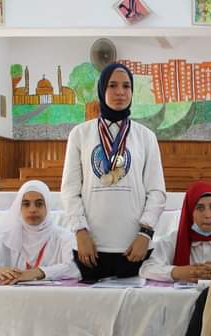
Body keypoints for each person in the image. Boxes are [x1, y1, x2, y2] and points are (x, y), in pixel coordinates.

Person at [61, 62, 166, 283]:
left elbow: (157, 192)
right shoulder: (80, 134)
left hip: (134, 247)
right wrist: (80, 232)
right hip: (90, 248)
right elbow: (70, 190)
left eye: (126, 86)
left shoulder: (146, 137)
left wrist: (145, 234)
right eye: (113, 85)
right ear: (102, 89)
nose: (120, 92)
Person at [0, 180, 78, 284]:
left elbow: (75, 267)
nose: (32, 209)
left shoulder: (64, 237)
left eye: (39, 204)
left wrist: (38, 273)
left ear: (47, 206)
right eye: (26, 204)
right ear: (19, 208)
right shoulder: (8, 238)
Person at [139, 180, 211, 283]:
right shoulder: (175, 239)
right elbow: (146, 269)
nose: (208, 215)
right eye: (200, 208)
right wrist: (179, 272)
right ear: (190, 211)